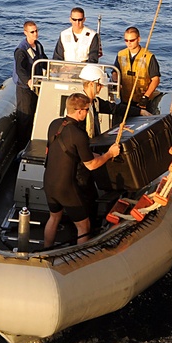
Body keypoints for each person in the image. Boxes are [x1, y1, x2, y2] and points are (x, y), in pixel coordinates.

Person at [43, 93, 120, 248]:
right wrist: (109, 154)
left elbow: (64, 151)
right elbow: (91, 165)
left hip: (49, 182)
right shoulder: (78, 134)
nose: (87, 113)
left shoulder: (54, 124)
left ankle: (45, 250)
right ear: (79, 111)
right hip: (66, 188)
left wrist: (97, 155)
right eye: (86, 110)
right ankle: (79, 256)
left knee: (54, 217)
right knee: (84, 226)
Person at [114, 27, 161, 116]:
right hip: (125, 98)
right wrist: (116, 81)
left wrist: (146, 97)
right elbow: (115, 71)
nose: (129, 43)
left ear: (138, 39)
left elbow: (155, 79)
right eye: (126, 40)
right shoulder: (121, 54)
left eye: (132, 40)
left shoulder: (149, 57)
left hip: (142, 100)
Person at [13, 20, 47, 144]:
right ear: (25, 33)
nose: (35, 34)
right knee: (25, 116)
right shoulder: (21, 50)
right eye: (32, 32)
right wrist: (28, 80)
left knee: (34, 113)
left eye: (36, 31)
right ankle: (22, 144)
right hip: (25, 87)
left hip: (36, 85)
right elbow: (19, 69)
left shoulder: (38, 46)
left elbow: (43, 60)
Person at [78, 64, 115, 137]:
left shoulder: (95, 102)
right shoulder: (80, 105)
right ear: (91, 84)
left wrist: (139, 111)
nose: (102, 87)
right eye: (99, 85)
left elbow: (114, 108)